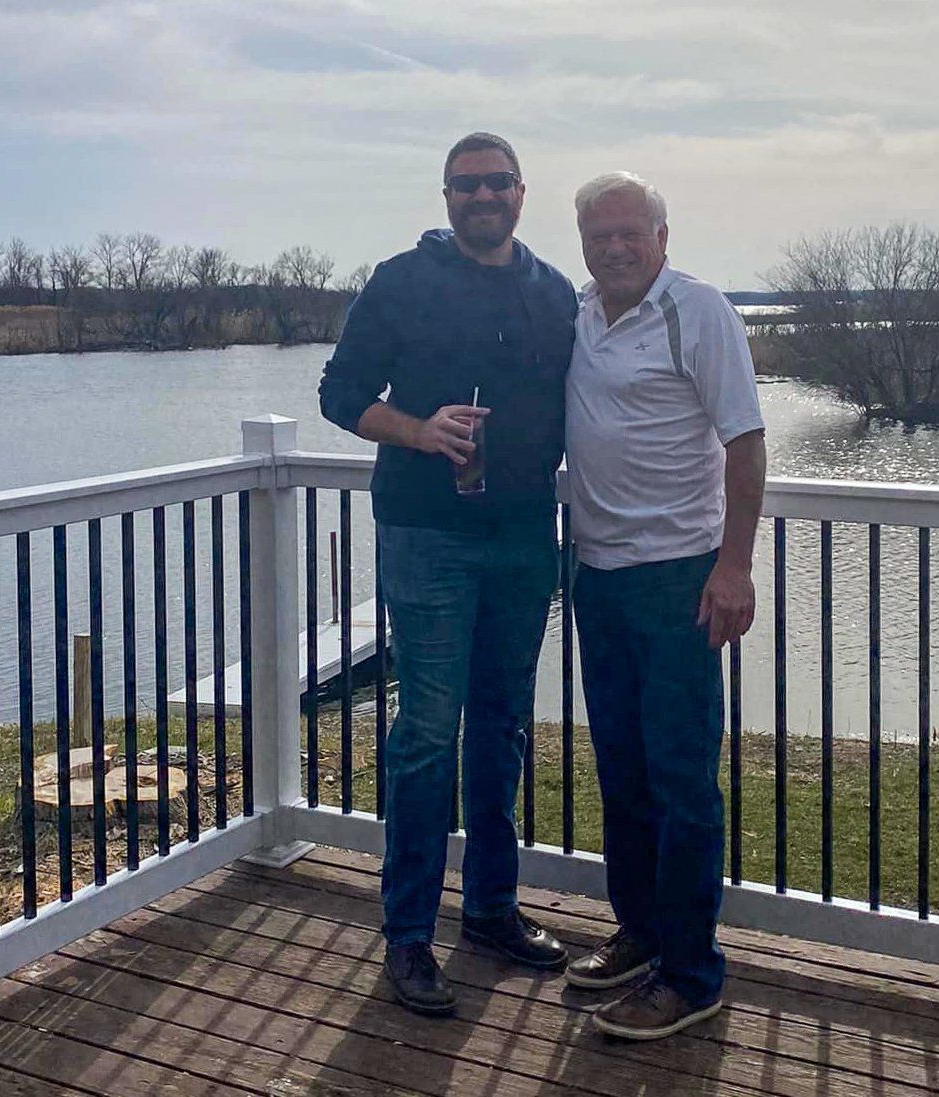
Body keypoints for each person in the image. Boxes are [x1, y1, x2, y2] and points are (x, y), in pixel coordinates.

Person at [318, 133, 577, 1016]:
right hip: (427, 535)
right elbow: (338, 393)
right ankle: (407, 937)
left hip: (522, 539)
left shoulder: (552, 292)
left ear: (520, 192)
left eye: (496, 182)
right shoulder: (400, 281)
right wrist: (420, 430)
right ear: (444, 195)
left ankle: (492, 912)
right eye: (466, 184)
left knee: (502, 727)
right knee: (427, 733)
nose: (482, 196)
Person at [562, 171, 767, 1040]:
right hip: (595, 574)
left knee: (682, 779)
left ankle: (691, 972)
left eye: (628, 233)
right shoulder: (577, 313)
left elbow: (746, 442)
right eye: (597, 234)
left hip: (677, 576)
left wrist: (734, 566)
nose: (613, 247)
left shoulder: (698, 310)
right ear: (581, 242)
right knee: (622, 768)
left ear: (661, 236)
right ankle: (641, 934)